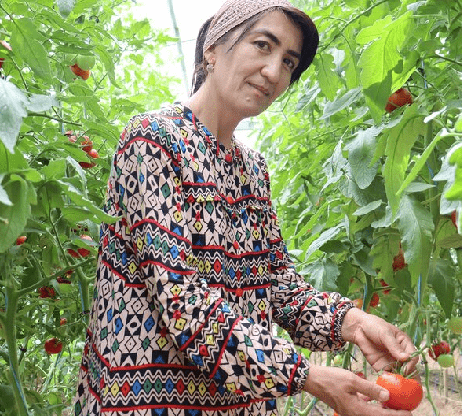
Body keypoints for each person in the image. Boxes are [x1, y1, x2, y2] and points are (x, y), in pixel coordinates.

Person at [73, 1, 419, 415]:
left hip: (238, 403)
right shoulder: (153, 141)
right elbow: (182, 301)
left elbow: (278, 288)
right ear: (213, 50)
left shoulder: (253, 170)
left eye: (289, 62)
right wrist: (307, 376)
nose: (274, 72)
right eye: (262, 45)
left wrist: (354, 322)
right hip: (149, 401)